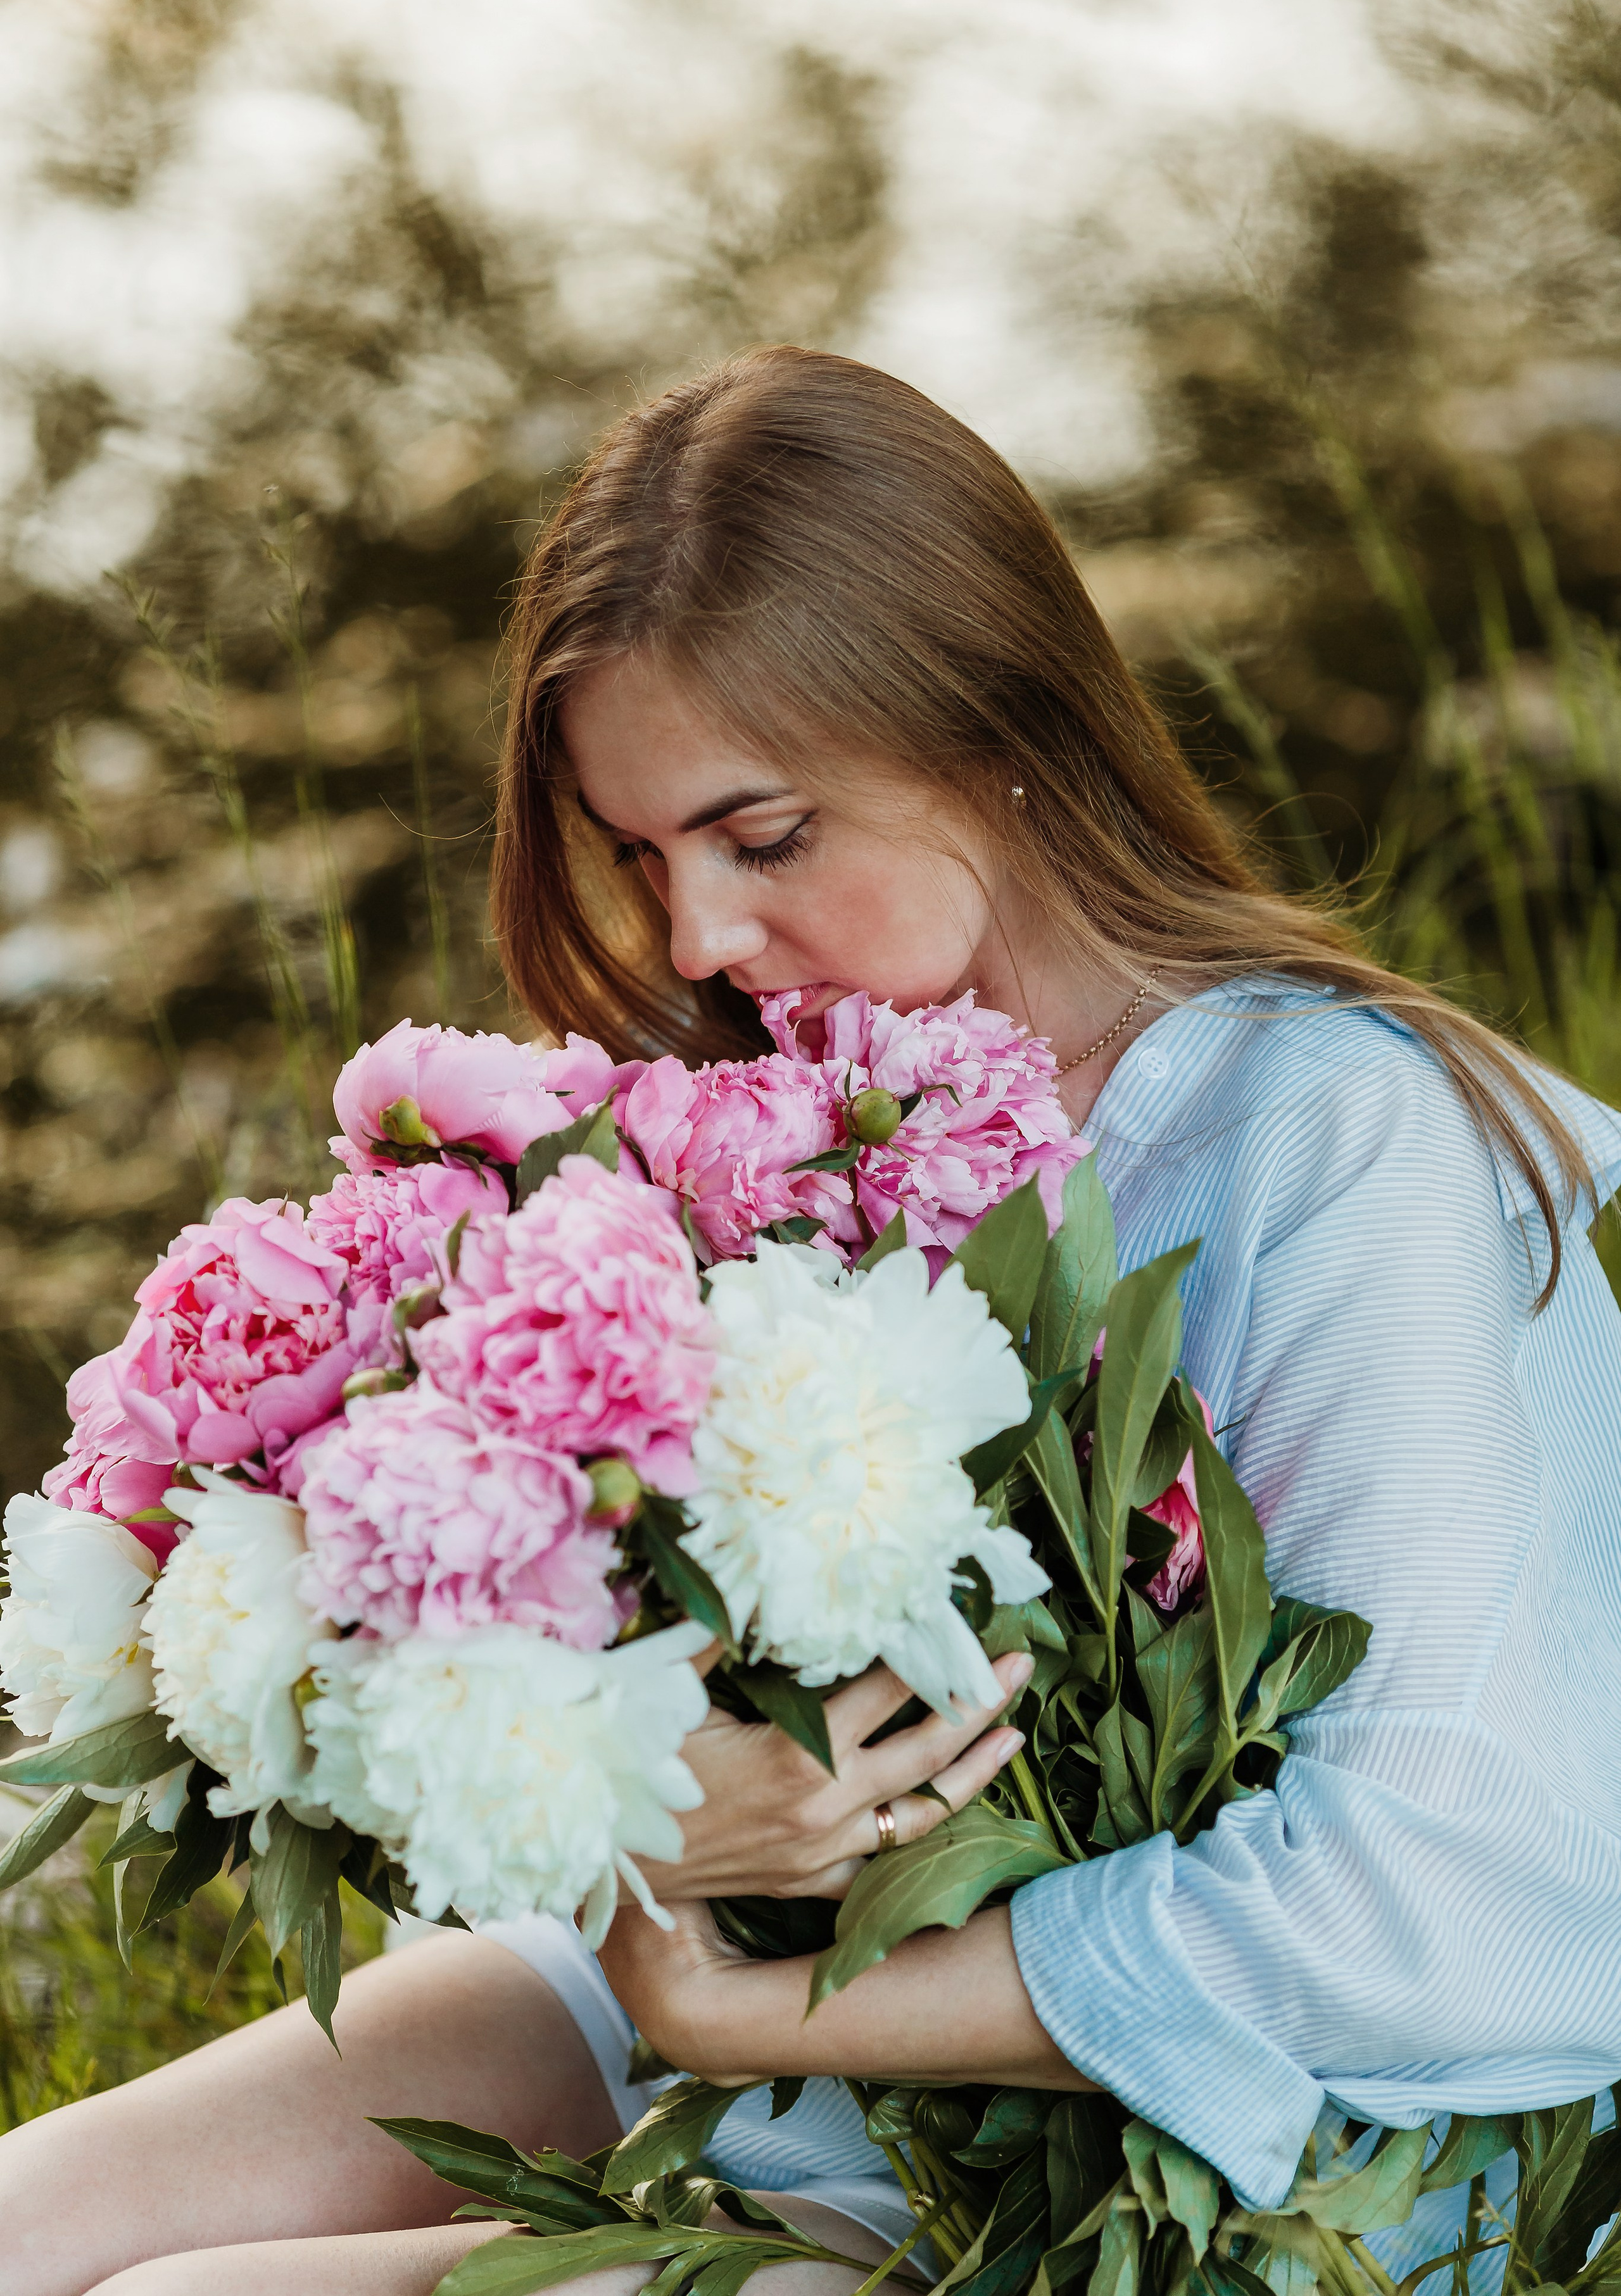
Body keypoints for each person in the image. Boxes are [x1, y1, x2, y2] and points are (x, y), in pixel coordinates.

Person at [7, 346, 1621, 2296]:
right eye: (636, 852)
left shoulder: (1328, 1139)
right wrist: (634, 1790)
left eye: (762, 838)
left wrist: (741, 2022)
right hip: (753, 1980)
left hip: (1223, 2138)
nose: (691, 940)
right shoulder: (750, 1126)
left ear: (992, 733)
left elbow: (1430, 1894)